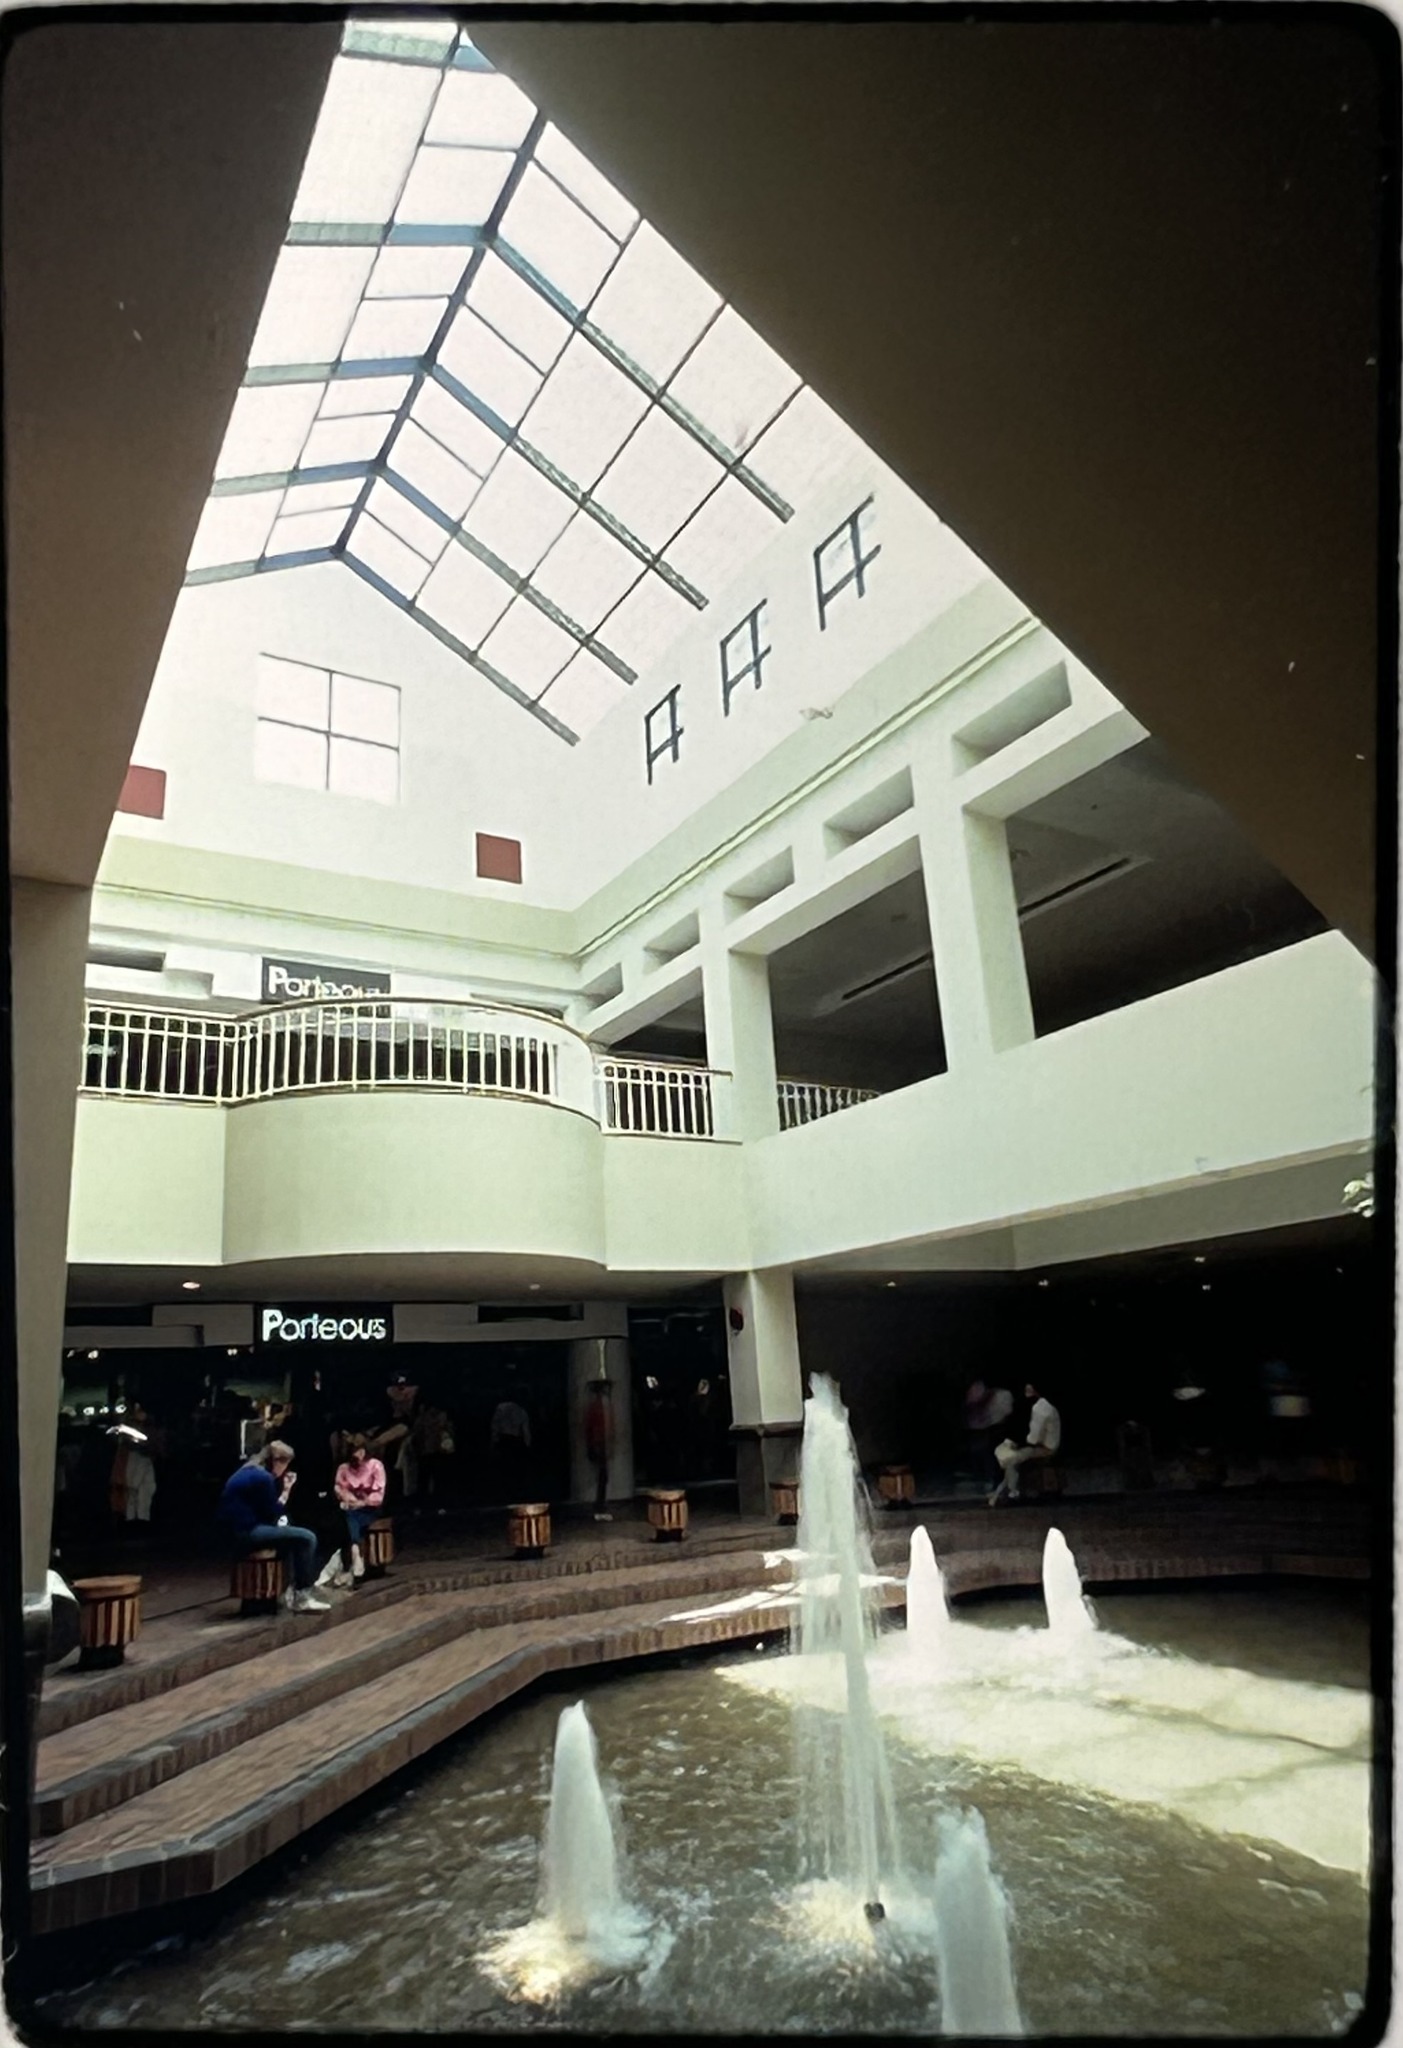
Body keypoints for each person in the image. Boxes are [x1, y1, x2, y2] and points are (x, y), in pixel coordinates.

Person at [217, 1440, 329, 1611]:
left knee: (291, 1539)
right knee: (307, 1538)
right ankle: (302, 1596)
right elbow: (272, 1513)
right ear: (277, 1462)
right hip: (247, 1532)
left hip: (233, 1531)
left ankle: (289, 1589)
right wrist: (287, 1490)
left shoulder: (249, 1470)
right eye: (285, 1465)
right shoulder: (263, 1478)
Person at [988, 1382, 1061, 1505]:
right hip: (1045, 1444)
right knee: (1010, 1455)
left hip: (1045, 1448)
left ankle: (1011, 1492)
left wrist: (1019, 1444)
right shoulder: (1045, 1406)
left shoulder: (1040, 1409)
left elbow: (1033, 1439)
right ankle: (1002, 1491)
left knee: (1011, 1459)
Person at [329, 1434, 386, 1585]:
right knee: (345, 1516)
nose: (358, 1454)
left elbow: (378, 1495)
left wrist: (362, 1502)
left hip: (370, 1508)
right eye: (355, 1451)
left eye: (361, 1450)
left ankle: (355, 1551)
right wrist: (349, 1499)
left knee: (350, 1516)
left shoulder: (376, 1466)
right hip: (350, 1507)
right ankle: (351, 1556)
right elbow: (339, 1489)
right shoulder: (343, 1468)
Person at [963, 1379, 1014, 1481]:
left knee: (990, 1453)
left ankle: (992, 1476)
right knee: (980, 1452)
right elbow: (971, 1403)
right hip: (982, 1427)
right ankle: (984, 1475)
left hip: (995, 1427)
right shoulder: (981, 1392)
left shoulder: (1001, 1395)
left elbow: (1007, 1412)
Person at [584, 1378, 614, 1520]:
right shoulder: (598, 1407)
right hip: (600, 1443)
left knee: (603, 1475)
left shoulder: (598, 1406)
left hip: (600, 1443)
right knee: (603, 1475)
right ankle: (599, 1503)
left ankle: (600, 1502)